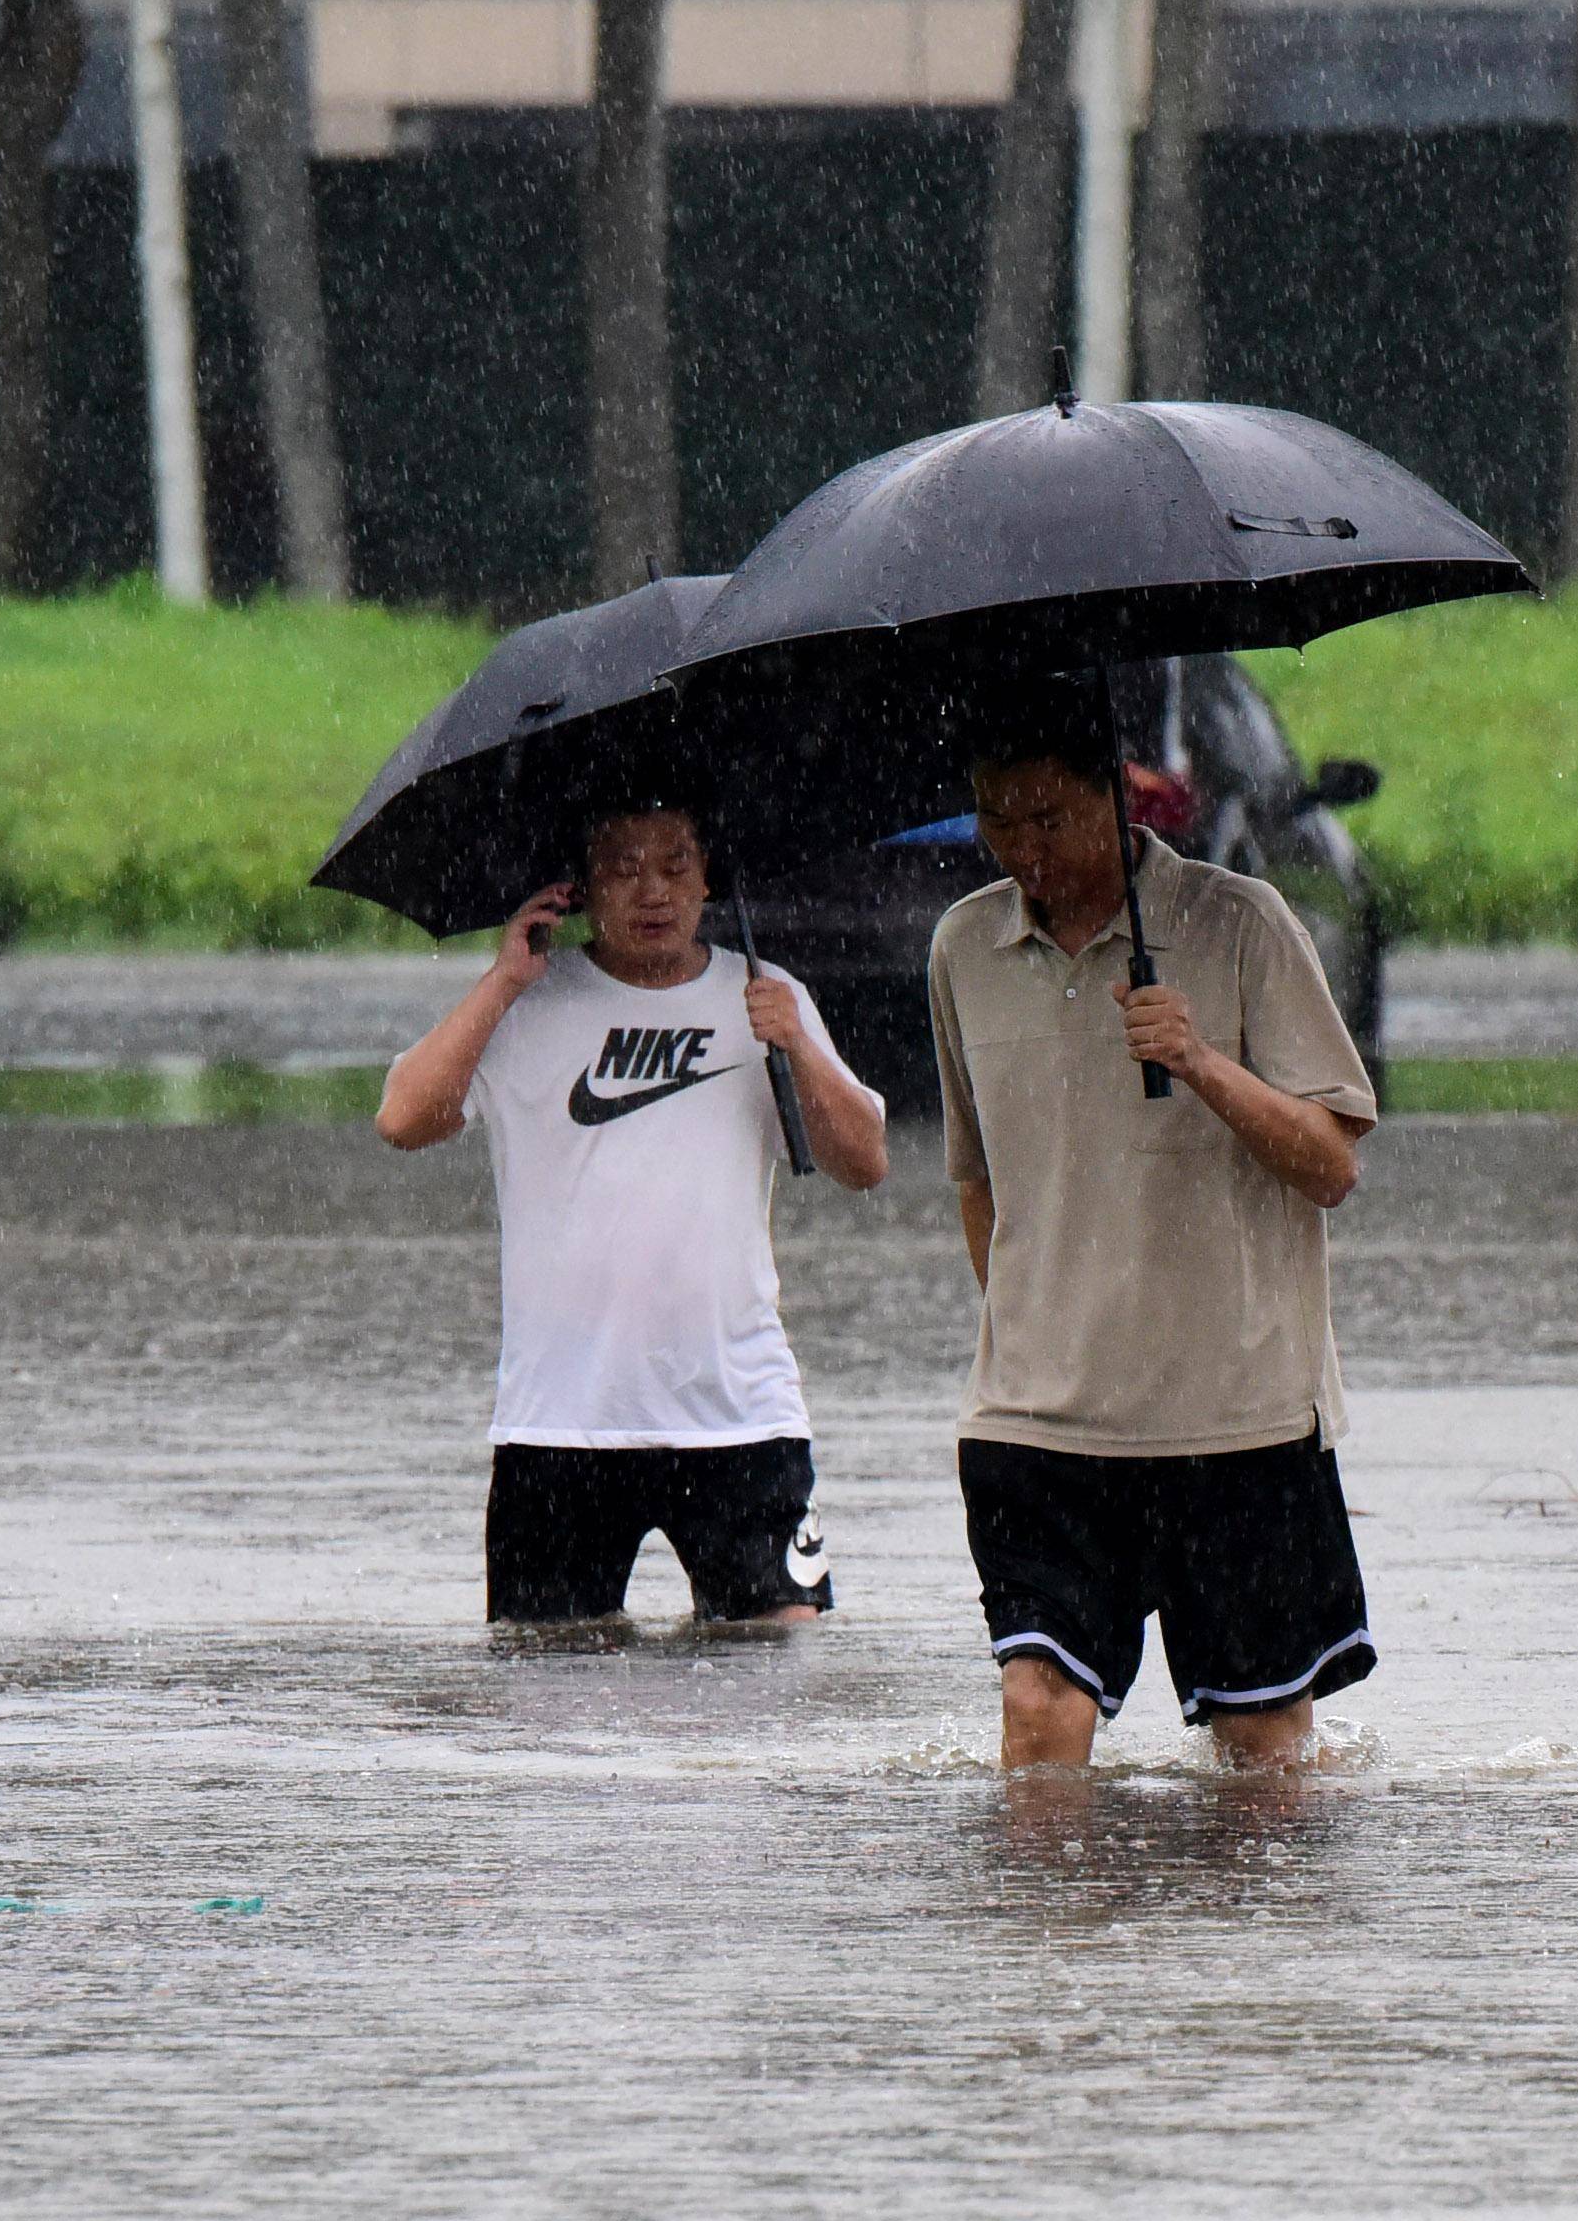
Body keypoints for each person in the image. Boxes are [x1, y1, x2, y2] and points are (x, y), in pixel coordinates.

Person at [925, 695, 1379, 1774]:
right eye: (997, 821)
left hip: (1238, 1416)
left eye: (1047, 817)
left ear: (1117, 797)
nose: (1023, 849)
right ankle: (1046, 1949)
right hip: (1041, 1418)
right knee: (1038, 1716)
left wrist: (1203, 1063)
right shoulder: (962, 946)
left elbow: (1331, 1163)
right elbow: (975, 1178)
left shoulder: (1244, 922)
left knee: (1261, 1753)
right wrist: (1031, 1334)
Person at [376, 800, 892, 1624]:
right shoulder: (528, 1005)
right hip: (561, 1425)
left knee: (787, 1684)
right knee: (543, 1701)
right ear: (580, 887)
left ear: (708, 878)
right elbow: (403, 1120)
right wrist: (503, 979)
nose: (652, 892)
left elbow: (865, 1162)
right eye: (622, 869)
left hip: (739, 1417)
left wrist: (793, 1045)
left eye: (675, 866)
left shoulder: (766, 994)